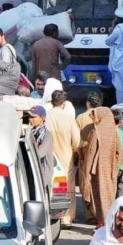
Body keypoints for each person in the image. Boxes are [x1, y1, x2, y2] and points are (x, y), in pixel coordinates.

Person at [83, 107, 123, 228]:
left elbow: (90, 154)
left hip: (97, 172)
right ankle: (109, 222)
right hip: (110, 172)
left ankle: (103, 223)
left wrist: (87, 173)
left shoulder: (96, 133)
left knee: (98, 197)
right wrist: (114, 167)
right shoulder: (114, 133)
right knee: (109, 197)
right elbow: (120, 154)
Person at [46, 90, 81, 226]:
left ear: (51, 101)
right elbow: (77, 140)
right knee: (68, 187)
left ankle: (55, 213)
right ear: (64, 103)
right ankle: (66, 217)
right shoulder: (69, 118)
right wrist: (72, 150)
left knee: (55, 186)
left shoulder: (47, 117)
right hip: (66, 157)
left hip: (50, 156)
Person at [77, 92, 102, 223]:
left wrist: (80, 157)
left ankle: (89, 215)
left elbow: (77, 141)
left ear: (88, 103)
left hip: (85, 154)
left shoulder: (81, 117)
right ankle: (99, 213)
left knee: (85, 184)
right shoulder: (104, 115)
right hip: (100, 155)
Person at [106, 8, 123, 104]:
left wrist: (113, 27)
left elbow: (108, 41)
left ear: (117, 19)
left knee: (120, 89)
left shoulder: (118, 30)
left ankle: (121, 110)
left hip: (120, 64)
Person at [27, 105, 54, 193]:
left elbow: (38, 154)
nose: (30, 119)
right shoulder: (31, 132)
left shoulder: (47, 135)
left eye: (33, 117)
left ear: (42, 118)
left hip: (43, 176)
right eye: (30, 117)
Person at [0, 27, 20, 96]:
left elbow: (7, 68)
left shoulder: (5, 49)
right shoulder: (2, 49)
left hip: (6, 85)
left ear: (3, 36)